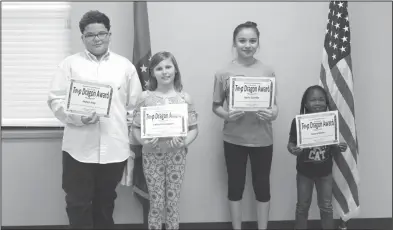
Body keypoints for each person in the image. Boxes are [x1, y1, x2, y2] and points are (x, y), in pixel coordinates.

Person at [47, 10, 143, 229]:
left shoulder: (125, 67)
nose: (97, 38)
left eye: (102, 33)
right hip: (78, 150)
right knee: (77, 204)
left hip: (114, 149)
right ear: (82, 38)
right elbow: (55, 100)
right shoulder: (69, 65)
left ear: (110, 34)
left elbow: (133, 106)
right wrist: (77, 117)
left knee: (105, 204)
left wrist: (127, 137)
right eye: (91, 35)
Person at [212, 21, 278, 230]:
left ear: (258, 43)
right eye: (242, 40)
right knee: (235, 186)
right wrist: (227, 115)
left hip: (262, 139)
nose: (247, 45)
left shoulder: (268, 71)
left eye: (252, 41)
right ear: (234, 42)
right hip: (234, 139)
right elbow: (215, 106)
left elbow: (275, 107)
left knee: (262, 187)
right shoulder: (223, 72)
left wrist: (272, 113)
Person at [132, 51, 199, 230]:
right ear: (152, 72)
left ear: (175, 70)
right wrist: (144, 142)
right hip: (151, 157)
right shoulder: (145, 98)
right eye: (159, 68)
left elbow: (193, 129)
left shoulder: (184, 98)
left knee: (173, 203)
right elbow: (135, 128)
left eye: (168, 66)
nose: (164, 71)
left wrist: (184, 142)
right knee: (156, 202)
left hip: (176, 156)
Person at [287, 85, 348, 229]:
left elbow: (333, 142)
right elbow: (291, 143)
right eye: (313, 100)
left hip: (325, 172)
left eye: (321, 99)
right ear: (306, 103)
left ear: (326, 102)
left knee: (326, 207)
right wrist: (292, 149)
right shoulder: (298, 121)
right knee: (302, 206)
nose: (318, 103)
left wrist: (339, 146)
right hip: (304, 173)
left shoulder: (330, 121)